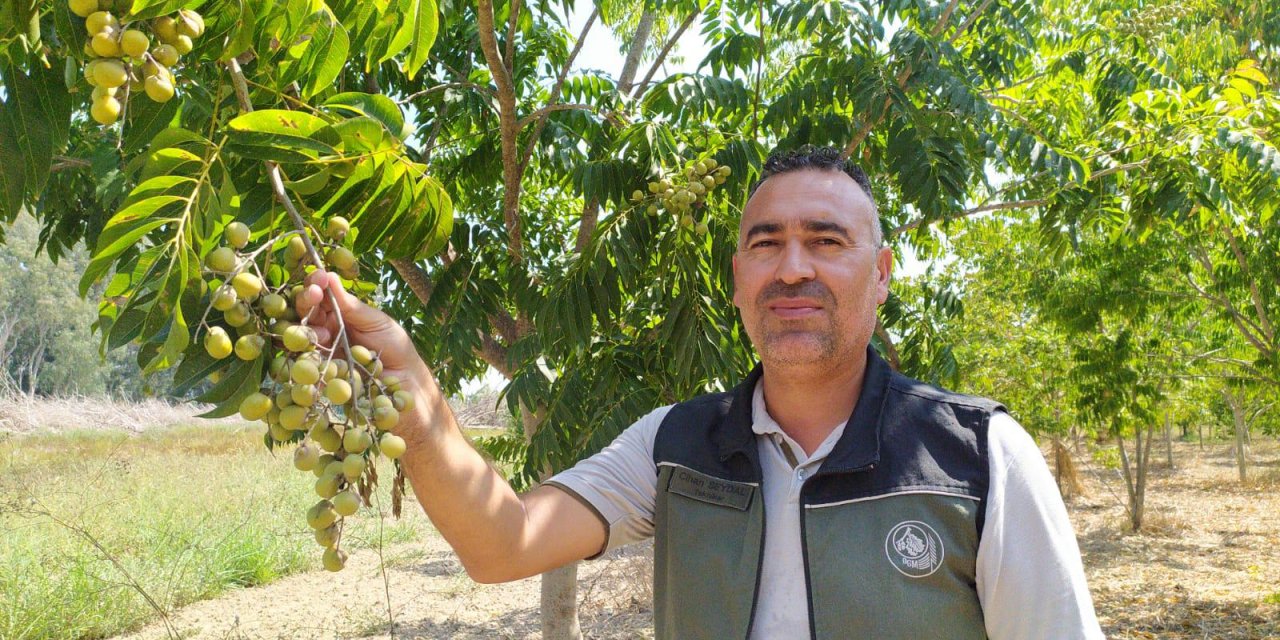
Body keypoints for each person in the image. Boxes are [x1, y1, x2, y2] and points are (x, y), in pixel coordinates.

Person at [296, 146, 1104, 639]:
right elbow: (501, 544)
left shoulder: (979, 456)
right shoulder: (674, 445)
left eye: (827, 241)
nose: (794, 267)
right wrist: (409, 386)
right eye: (767, 244)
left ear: (882, 275)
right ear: (737, 281)